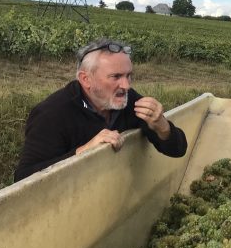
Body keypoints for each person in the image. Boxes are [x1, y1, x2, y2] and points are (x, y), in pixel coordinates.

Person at [15, 38, 188, 181]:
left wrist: (162, 126)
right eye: (116, 77)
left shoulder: (129, 101)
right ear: (86, 79)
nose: (126, 85)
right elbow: (23, 179)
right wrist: (84, 151)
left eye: (129, 75)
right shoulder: (52, 114)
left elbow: (177, 150)